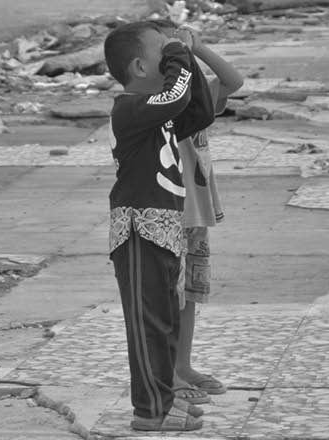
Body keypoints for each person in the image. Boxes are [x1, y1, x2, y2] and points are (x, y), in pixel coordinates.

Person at [102, 21, 213, 433]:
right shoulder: (129, 109)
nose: (168, 58)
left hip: (164, 231)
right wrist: (178, 52)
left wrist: (187, 56)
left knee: (166, 322)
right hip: (138, 231)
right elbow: (175, 96)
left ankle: (165, 397)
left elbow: (198, 109)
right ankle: (150, 411)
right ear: (139, 67)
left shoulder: (159, 117)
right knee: (148, 327)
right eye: (160, 53)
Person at [151, 21, 244, 407]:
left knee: (188, 295)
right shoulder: (160, 100)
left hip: (198, 213)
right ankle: (168, 372)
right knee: (169, 297)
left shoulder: (196, 94)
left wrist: (199, 49)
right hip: (172, 212)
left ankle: (183, 365)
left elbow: (234, 81)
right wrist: (179, 55)